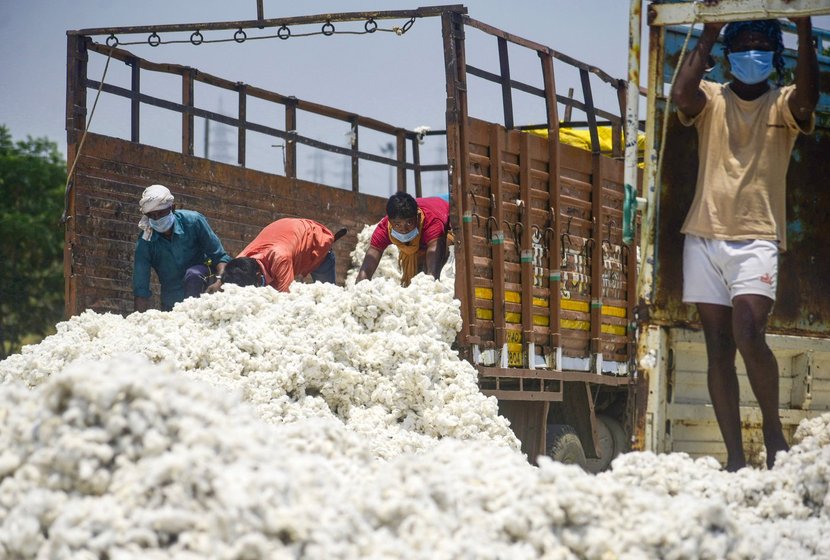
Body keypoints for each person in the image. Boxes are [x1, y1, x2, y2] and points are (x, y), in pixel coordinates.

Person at [671, 6, 818, 471]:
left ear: (774, 54)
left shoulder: (784, 103)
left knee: (750, 331)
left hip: (756, 239)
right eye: (742, 43)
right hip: (704, 236)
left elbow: (809, 98)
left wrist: (804, 23)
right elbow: (680, 92)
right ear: (728, 53)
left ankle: (774, 435)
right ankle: (736, 457)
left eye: (759, 44)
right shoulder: (711, 97)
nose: (750, 50)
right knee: (718, 348)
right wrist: (712, 28)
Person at [133, 184, 231, 312]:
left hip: (204, 288)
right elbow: (141, 287)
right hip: (172, 303)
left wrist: (219, 282)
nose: (157, 219)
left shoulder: (194, 222)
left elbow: (220, 257)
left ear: (172, 208)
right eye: (153, 216)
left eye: (161, 213)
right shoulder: (145, 242)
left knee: (193, 274)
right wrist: (137, 320)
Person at [216, 218, 345, 292]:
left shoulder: (280, 258)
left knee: (327, 295)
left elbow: (284, 300)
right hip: (288, 234)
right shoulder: (240, 261)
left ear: (258, 274)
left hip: (316, 243)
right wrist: (219, 283)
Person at [356, 192, 450, 286]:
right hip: (424, 234)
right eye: (397, 225)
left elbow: (435, 248)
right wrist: (359, 288)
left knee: (441, 254)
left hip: (447, 220)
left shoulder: (431, 221)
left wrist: (431, 281)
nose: (404, 230)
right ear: (389, 221)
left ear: (417, 217)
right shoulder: (384, 228)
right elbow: (368, 263)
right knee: (416, 276)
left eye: (409, 223)